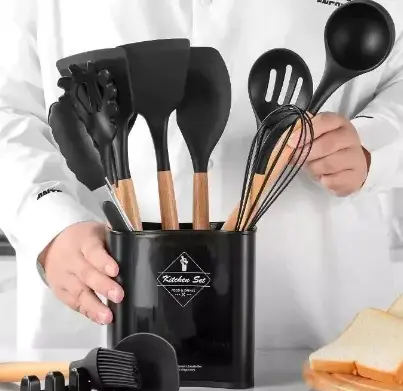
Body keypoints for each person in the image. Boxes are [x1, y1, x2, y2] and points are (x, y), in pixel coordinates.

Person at [0, 0, 402, 351]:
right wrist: (48, 223)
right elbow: (8, 108)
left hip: (312, 337)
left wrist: (373, 145)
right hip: (96, 333)